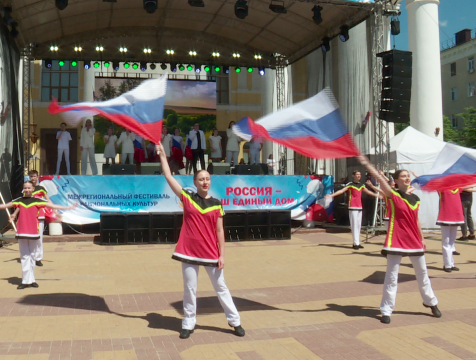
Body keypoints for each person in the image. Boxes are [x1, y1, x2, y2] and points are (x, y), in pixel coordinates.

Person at [155, 141, 245, 339]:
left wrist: (222, 255)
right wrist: (162, 155)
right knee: (190, 289)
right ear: (195, 182)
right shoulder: (187, 197)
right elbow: (169, 176)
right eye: (201, 179)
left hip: (211, 253)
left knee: (221, 287)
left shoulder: (216, 204)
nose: (205, 182)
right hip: (188, 251)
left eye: (207, 179)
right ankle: (188, 323)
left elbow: (220, 231)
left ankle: (235, 321)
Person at [357, 155, 441, 324]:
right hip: (396, 240)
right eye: (403, 176)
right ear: (395, 181)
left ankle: (430, 302)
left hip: (415, 240)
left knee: (422, 273)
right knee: (392, 276)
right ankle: (386, 310)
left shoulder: (416, 199)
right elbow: (381, 180)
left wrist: (422, 238)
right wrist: (367, 164)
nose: (407, 178)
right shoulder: (393, 195)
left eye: (407, 176)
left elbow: (416, 220)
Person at [0, 181, 76, 289]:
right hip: (22, 232)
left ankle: (32, 280)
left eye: (28, 188)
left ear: (32, 189)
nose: (27, 190)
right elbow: (5, 206)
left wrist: (68, 208)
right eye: (25, 188)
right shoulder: (19, 201)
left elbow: (51, 205)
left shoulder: (37, 200)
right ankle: (25, 281)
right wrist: (12, 215)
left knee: (32, 256)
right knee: (24, 256)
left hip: (33, 232)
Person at [325, 170, 379, 250]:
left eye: (359, 174)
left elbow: (367, 192)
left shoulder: (361, 185)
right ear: (353, 176)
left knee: (358, 225)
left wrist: (376, 195)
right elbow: (341, 191)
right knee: (354, 225)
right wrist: (331, 195)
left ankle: (358, 242)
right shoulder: (350, 184)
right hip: (352, 206)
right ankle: (355, 243)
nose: (358, 176)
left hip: (359, 206)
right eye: (357, 174)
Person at [437, 189, 466, 272]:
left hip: (456, 217)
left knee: (451, 242)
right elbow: (430, 183)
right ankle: (447, 265)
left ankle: (451, 264)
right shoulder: (441, 188)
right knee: (446, 242)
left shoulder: (457, 187)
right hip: (445, 217)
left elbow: (468, 186)